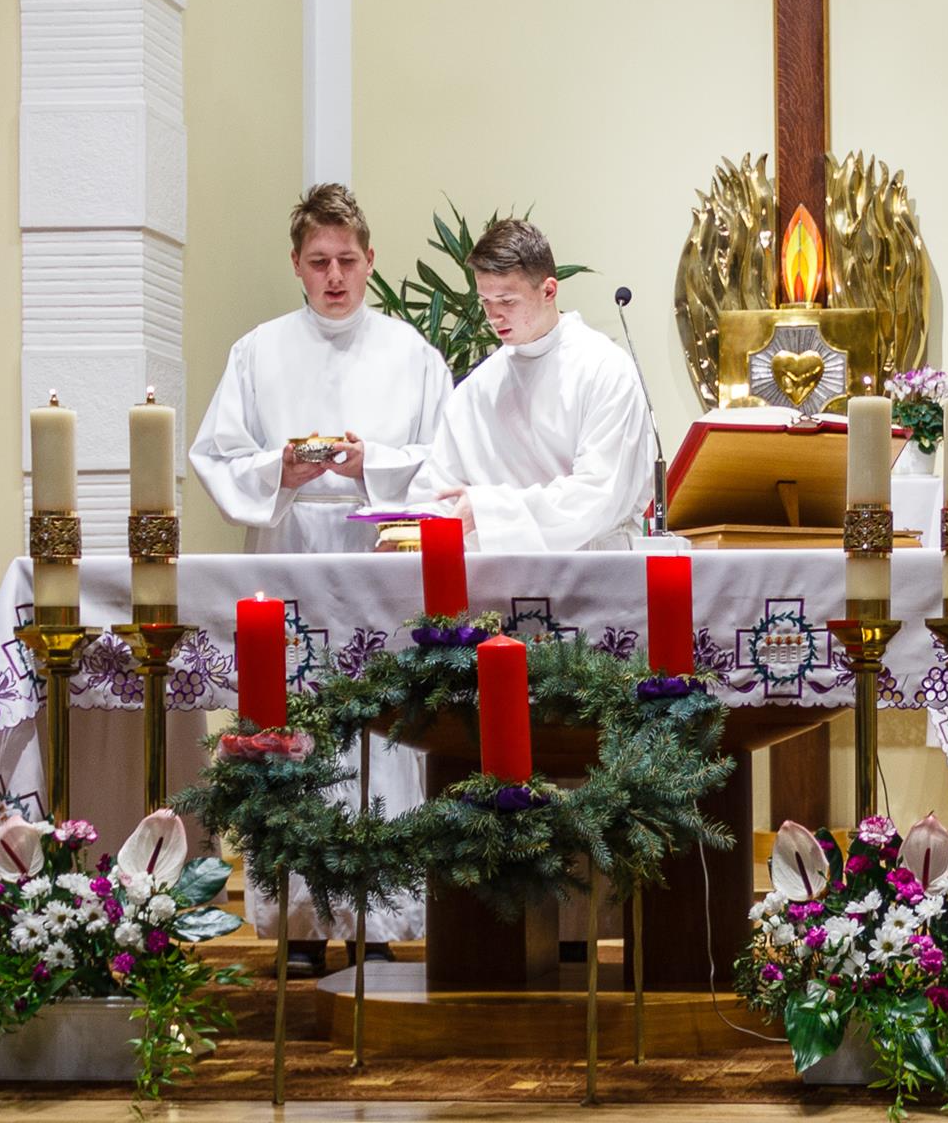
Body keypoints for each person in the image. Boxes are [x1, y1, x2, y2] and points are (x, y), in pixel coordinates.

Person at [190, 183, 452, 971]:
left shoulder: (412, 353)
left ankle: (379, 917)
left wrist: (373, 463)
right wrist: (281, 468)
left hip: (378, 556)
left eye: (346, 259)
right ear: (296, 265)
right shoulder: (258, 351)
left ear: (371, 260)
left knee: (380, 729)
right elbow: (216, 454)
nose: (333, 276)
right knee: (291, 728)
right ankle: (299, 924)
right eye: (317, 262)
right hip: (292, 548)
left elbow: (447, 461)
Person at [409, 218, 655, 551]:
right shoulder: (476, 389)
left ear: (549, 290)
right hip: (499, 573)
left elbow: (599, 495)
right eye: (485, 301)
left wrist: (490, 511)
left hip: (593, 567)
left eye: (507, 301)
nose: (493, 316)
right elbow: (439, 492)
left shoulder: (605, 368)